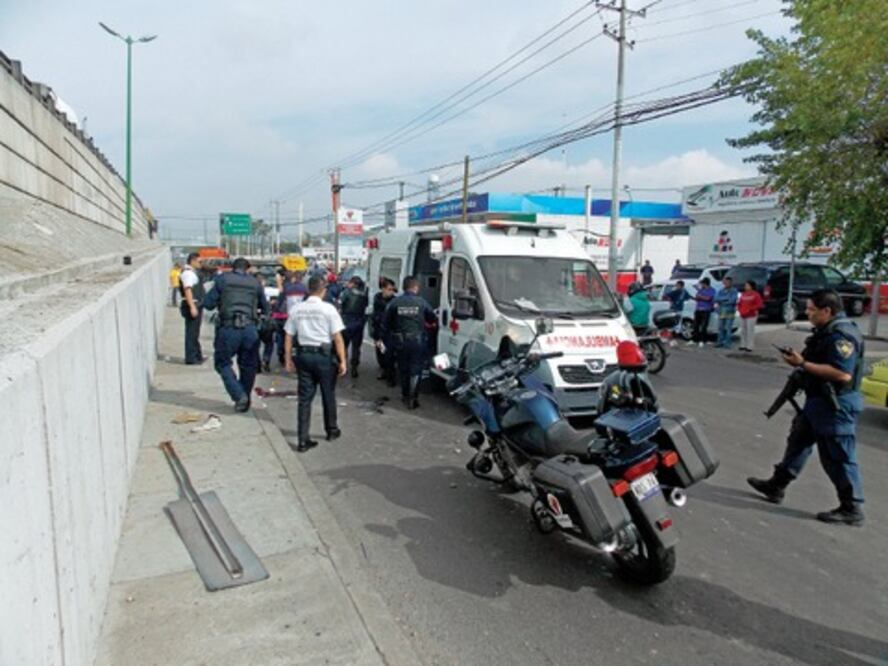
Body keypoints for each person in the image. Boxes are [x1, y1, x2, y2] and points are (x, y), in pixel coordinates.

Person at [747, 290, 866, 526]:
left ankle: (852, 508)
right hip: (817, 403)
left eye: (811, 309)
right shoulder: (827, 331)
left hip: (835, 405)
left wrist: (804, 364)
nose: (808, 313)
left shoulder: (842, 335)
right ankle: (776, 486)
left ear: (827, 311)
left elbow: (842, 373)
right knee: (798, 441)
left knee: (838, 457)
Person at [284, 276, 348, 453]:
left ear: (308, 290)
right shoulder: (328, 309)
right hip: (324, 357)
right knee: (328, 394)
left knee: (304, 399)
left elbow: (288, 335)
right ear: (323, 290)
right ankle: (331, 430)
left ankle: (303, 440)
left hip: (303, 356)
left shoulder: (297, 309)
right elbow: (338, 338)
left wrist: (288, 359)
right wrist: (343, 360)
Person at [202, 257, 269, 412]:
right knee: (248, 366)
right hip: (250, 329)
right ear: (248, 268)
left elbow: (208, 303)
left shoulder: (222, 280)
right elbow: (265, 308)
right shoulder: (255, 283)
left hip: (228, 328)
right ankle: (245, 400)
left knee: (222, 363)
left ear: (233, 267)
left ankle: (239, 395)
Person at [383, 275, 437, 409]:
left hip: (400, 341)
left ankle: (405, 395)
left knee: (403, 368)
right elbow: (432, 319)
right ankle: (413, 397)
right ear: (415, 287)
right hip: (417, 341)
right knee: (416, 368)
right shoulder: (421, 302)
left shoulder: (395, 302)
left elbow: (387, 322)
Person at [339, 276, 369, 378]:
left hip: (346, 322)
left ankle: (343, 365)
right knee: (356, 347)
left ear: (353, 284)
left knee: (344, 345)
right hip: (359, 323)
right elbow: (365, 307)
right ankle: (354, 368)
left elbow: (340, 305)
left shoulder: (346, 293)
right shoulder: (364, 294)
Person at [180, 253, 205, 365]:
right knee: (191, 333)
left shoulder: (192, 273)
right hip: (192, 305)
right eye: (200, 262)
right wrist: (192, 307)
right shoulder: (188, 274)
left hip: (195, 304)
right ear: (193, 261)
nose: (201, 264)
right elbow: (188, 290)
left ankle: (197, 355)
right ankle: (191, 358)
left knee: (194, 333)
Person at [371, 278, 398, 385]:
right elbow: (375, 317)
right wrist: (376, 336)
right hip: (379, 333)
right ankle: (384, 371)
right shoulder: (377, 299)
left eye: (392, 289)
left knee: (390, 355)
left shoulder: (394, 301)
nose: (391, 292)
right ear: (383, 289)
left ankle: (391, 377)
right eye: (389, 289)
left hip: (390, 333)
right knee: (381, 354)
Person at [737, 280, 764, 351]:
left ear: (751, 286)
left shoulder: (756, 294)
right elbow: (739, 303)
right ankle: (742, 344)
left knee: (750, 331)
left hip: (751, 315)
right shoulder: (743, 294)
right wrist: (740, 310)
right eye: (745, 285)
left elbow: (760, 305)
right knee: (743, 330)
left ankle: (750, 346)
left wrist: (750, 309)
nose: (745, 287)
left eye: (747, 285)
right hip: (742, 314)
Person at [713, 276, 739, 349]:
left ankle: (727, 343)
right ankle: (720, 342)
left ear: (731, 282)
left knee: (728, 328)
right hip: (721, 311)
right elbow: (716, 299)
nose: (726, 283)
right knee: (720, 327)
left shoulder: (734, 291)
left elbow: (733, 300)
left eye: (728, 282)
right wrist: (726, 299)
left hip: (730, 311)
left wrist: (722, 300)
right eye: (725, 282)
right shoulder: (721, 290)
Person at [690, 277, 716, 347]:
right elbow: (697, 297)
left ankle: (702, 340)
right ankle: (694, 340)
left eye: (702, 283)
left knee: (703, 326)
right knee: (696, 325)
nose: (701, 285)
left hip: (706, 310)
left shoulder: (712, 290)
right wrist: (700, 297)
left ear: (705, 283)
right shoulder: (701, 290)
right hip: (698, 309)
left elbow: (708, 298)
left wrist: (701, 297)